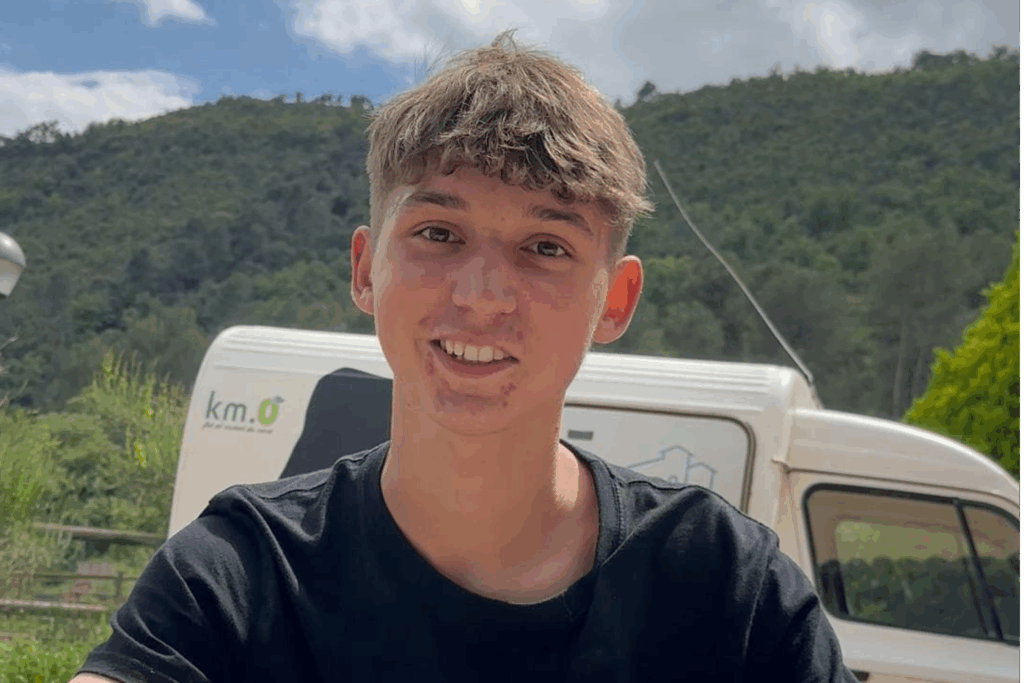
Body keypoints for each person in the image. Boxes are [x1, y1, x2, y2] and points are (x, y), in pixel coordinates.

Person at [71, 31, 858, 682]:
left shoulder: (729, 591)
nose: (482, 295)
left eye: (545, 246)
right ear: (365, 269)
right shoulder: (239, 575)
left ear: (615, 301)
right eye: (438, 233)